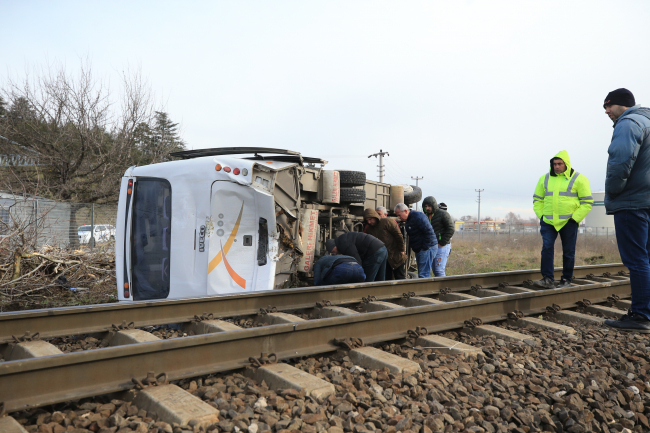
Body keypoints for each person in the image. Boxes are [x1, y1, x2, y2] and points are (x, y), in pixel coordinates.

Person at [600, 89, 650, 332]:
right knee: (646, 258)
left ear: (623, 105)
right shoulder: (647, 122)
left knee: (637, 259)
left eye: (609, 106)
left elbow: (620, 160)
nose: (607, 111)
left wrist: (613, 190)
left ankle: (640, 315)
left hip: (632, 201)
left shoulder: (628, 123)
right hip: (647, 201)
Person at [531, 151, 593, 289]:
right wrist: (542, 216)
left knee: (568, 251)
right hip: (548, 221)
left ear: (566, 164)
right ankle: (547, 279)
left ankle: (566, 280)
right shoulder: (544, 179)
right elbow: (537, 199)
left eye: (559, 164)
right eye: (554, 164)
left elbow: (587, 202)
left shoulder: (579, 179)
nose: (557, 166)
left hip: (569, 222)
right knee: (547, 248)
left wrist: (575, 219)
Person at [394, 203, 437, 278]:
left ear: (405, 211)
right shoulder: (410, 219)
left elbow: (429, 232)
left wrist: (423, 248)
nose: (399, 218)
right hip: (421, 248)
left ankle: (425, 289)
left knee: (424, 274)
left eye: (399, 215)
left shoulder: (418, 217)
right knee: (422, 273)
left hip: (426, 248)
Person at [364, 208, 407, 280]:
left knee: (400, 278)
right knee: (387, 279)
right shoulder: (369, 229)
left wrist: (402, 250)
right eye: (367, 220)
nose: (369, 222)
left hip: (396, 255)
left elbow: (399, 236)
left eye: (370, 219)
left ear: (374, 216)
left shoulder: (387, 222)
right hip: (384, 258)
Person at [422, 196, 455, 277]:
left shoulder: (443, 214)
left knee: (439, 270)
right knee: (434, 270)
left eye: (429, 206)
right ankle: (439, 288)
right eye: (425, 206)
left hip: (442, 246)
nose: (427, 208)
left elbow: (451, 229)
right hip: (431, 246)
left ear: (433, 205)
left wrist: (442, 242)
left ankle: (444, 288)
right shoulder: (425, 216)